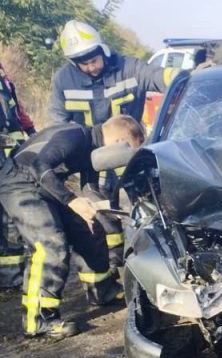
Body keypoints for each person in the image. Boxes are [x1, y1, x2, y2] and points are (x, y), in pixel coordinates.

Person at [0, 115, 145, 338]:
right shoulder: (75, 135)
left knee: (90, 229)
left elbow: (91, 187)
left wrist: (102, 211)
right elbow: (40, 166)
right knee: (50, 245)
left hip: (43, 185)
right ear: (119, 143)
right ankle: (38, 319)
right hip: (20, 183)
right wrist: (72, 201)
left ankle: (101, 290)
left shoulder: (93, 151)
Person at [48, 20, 176, 265]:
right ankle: (113, 270)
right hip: (92, 164)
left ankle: (155, 262)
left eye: (93, 60)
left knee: (147, 210)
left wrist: (184, 75)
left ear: (102, 49)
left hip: (132, 159)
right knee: (101, 217)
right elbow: (59, 123)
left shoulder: (128, 67)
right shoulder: (63, 81)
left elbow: (159, 76)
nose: (90, 67)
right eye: (82, 63)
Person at [0, 60, 37, 289]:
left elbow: (17, 111)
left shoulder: (5, 81)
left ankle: (11, 278)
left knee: (9, 220)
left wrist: (32, 132)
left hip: (11, 159)